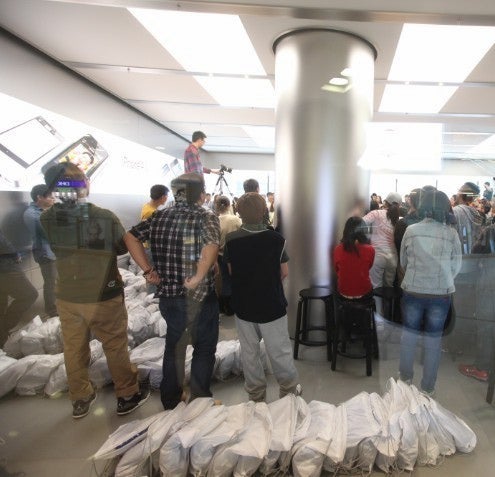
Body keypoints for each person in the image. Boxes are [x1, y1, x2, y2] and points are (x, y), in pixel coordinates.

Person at [41, 162, 149, 419]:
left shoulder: (47, 218)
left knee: (74, 347)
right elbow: (121, 248)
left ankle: (80, 397)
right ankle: (126, 394)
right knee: (114, 344)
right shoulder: (103, 216)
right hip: (103, 293)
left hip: (67, 293)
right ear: (82, 186)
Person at [124, 173, 221, 410]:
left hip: (169, 296)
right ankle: (199, 399)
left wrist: (148, 271)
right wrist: (198, 276)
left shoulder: (159, 216)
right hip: (199, 297)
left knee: (174, 347)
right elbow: (211, 245)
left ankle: (171, 399)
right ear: (201, 193)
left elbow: (129, 237)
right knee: (204, 348)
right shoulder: (205, 216)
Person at [224, 192, 302, 402]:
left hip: (243, 305)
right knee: (279, 351)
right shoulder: (276, 239)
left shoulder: (231, 240)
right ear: (263, 212)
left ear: (239, 211)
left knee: (249, 354)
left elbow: (231, 271)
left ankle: (256, 395)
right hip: (271, 304)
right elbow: (283, 272)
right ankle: (289, 391)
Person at [398, 189, 462, 396]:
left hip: (413, 291)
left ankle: (405, 379)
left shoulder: (411, 230)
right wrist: (443, 279)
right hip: (440, 294)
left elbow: (403, 262)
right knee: (434, 340)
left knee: (409, 335)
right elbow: (457, 265)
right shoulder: (451, 233)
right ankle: (427, 388)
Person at [23, 184, 58, 317]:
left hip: (54, 251)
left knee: (56, 281)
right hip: (45, 253)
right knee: (51, 282)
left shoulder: (45, 211)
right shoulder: (32, 214)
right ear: (39, 197)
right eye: (50, 196)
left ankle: (57, 306)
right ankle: (52, 311)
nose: (53, 199)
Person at [0, 230, 38, 346]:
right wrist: (15, 255)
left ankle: (2, 338)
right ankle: (3, 328)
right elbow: (4, 244)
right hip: (6, 269)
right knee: (30, 294)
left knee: (1, 305)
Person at [362, 191, 402, 289]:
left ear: (385, 202)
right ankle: (388, 305)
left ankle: (379, 305)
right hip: (393, 258)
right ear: (399, 205)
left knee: (376, 288)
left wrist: (368, 235)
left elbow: (360, 223)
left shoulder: (376, 213)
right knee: (389, 289)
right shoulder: (399, 219)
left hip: (377, 256)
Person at [333, 217, 375, 300]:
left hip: (343, 292)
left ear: (346, 231)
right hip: (364, 292)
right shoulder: (370, 249)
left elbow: (337, 269)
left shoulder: (337, 249)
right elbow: (369, 267)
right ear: (364, 231)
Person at [214, 195, 242, 315]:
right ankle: (231, 307)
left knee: (222, 280)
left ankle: (222, 306)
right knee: (233, 280)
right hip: (235, 254)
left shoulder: (214, 220)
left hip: (219, 255)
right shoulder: (235, 219)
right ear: (229, 205)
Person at [452, 181, 485, 254]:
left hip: (459, 257)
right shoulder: (477, 213)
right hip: (473, 258)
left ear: (460, 194)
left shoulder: (455, 212)